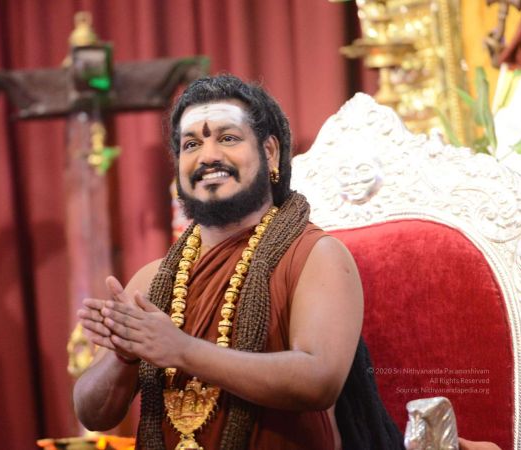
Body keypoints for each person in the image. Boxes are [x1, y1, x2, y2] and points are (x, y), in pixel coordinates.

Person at [73, 75, 402, 449]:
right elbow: (92, 414)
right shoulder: (153, 281)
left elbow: (319, 380)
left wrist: (181, 350)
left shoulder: (317, 256)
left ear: (270, 152)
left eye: (228, 138)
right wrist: (124, 354)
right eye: (191, 144)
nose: (208, 156)